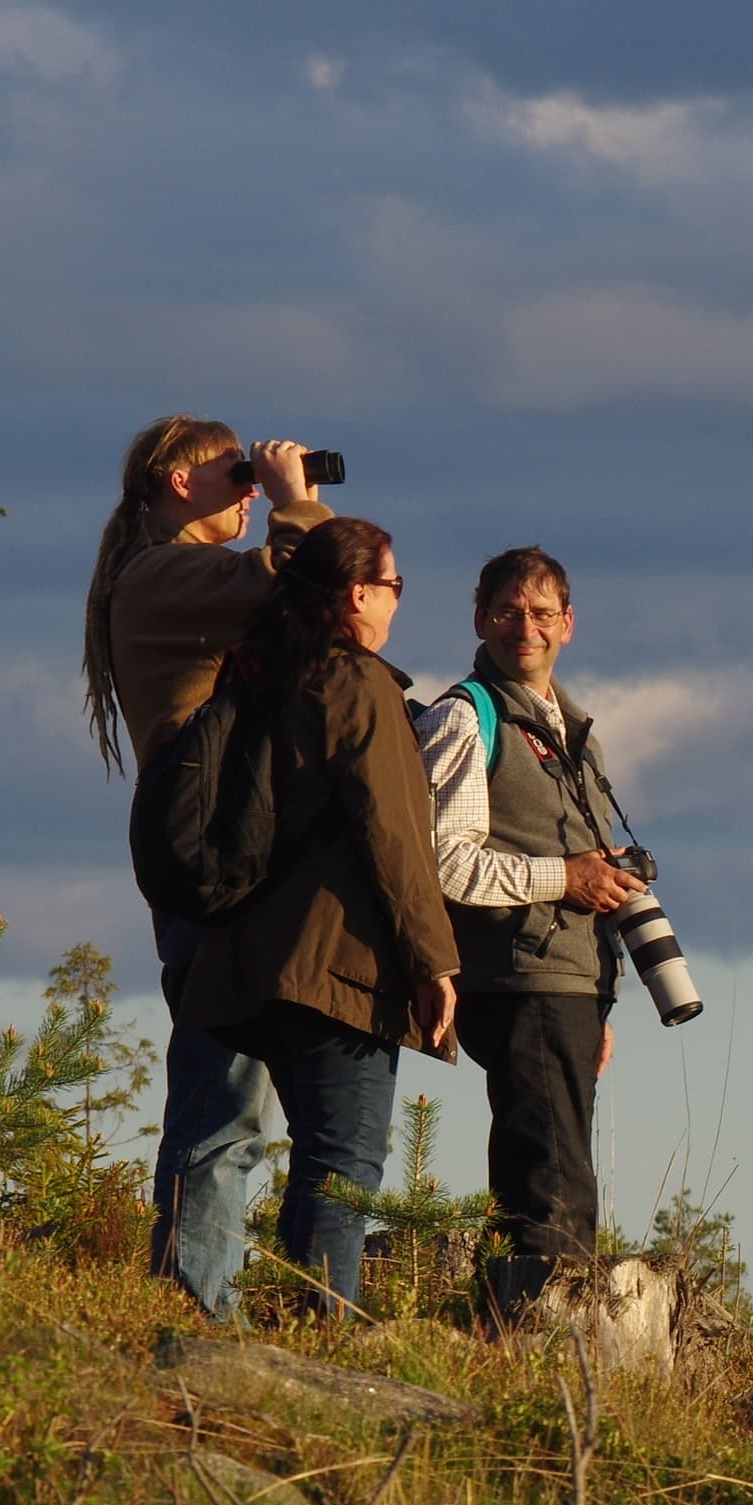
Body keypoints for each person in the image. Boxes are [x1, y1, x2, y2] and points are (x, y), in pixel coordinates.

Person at [170, 516, 461, 1314]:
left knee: (259, 1152)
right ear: (358, 593)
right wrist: (433, 962)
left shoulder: (258, 674)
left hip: (243, 961)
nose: (397, 602)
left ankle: (228, 1319)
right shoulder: (358, 684)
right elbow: (395, 836)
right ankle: (323, 1343)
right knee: (343, 1168)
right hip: (338, 967)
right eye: (393, 586)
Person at [83, 419, 329, 1319]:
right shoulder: (159, 573)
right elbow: (287, 586)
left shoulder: (163, 572)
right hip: (206, 841)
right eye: (235, 474)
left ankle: (213, 1300)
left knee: (245, 1091)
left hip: (224, 838)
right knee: (223, 1091)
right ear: (178, 481)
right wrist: (298, 504)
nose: (252, 489)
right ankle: (191, 1311)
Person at [412, 546, 642, 1318]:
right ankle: (538, 1353)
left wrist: (602, 998)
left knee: (558, 1177)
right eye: (508, 610)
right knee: (547, 1189)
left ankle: (522, 1336)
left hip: (570, 982)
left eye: (542, 612)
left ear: (568, 624)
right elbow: (448, 864)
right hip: (516, 978)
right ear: (479, 618)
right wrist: (564, 877)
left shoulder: (575, 733)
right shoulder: (464, 717)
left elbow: (590, 879)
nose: (525, 627)